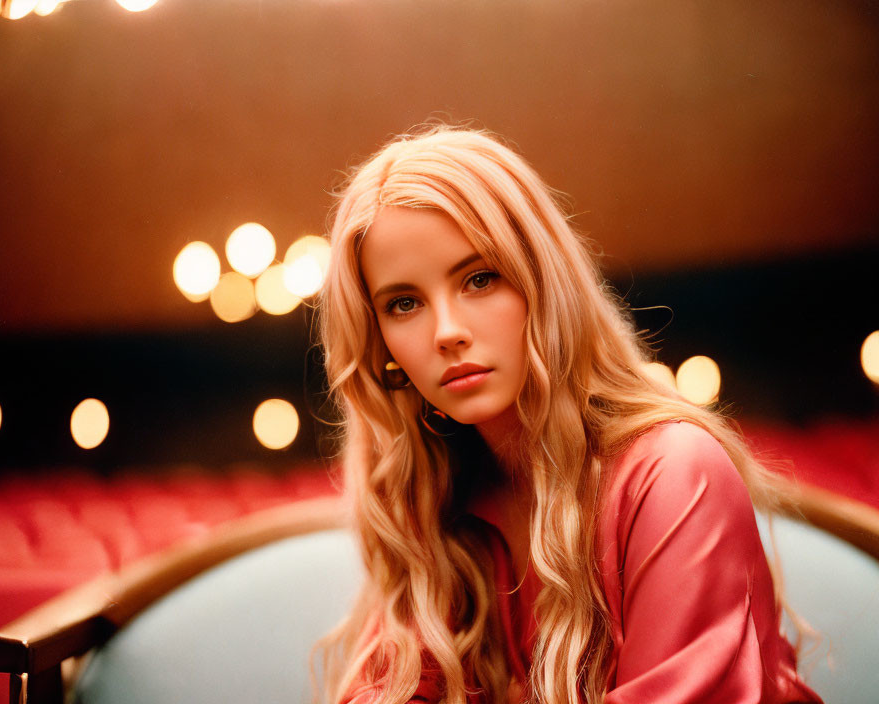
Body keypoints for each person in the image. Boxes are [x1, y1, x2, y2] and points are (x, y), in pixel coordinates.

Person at [316, 125, 822, 704]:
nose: (448, 332)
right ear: (379, 340)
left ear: (542, 282)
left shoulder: (675, 471)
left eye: (480, 279)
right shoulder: (434, 495)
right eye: (403, 303)